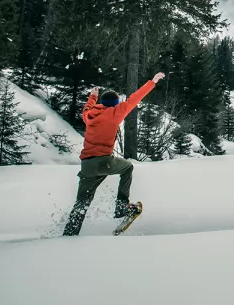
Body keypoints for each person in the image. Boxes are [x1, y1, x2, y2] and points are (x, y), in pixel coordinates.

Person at [62, 72, 165, 236]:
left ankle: (69, 234)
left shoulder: (89, 116)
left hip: (87, 166)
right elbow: (134, 99)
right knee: (127, 168)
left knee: (81, 204)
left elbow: (87, 108)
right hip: (104, 162)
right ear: (115, 104)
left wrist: (93, 96)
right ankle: (121, 208)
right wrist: (152, 82)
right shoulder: (115, 113)